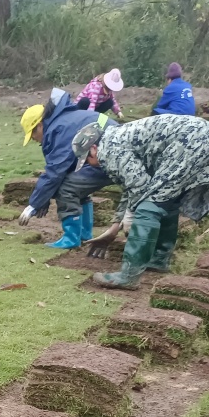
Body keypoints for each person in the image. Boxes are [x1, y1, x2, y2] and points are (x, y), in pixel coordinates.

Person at [71, 113, 209, 288]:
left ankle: (129, 276)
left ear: (93, 149)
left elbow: (140, 186)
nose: (91, 164)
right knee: (167, 200)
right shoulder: (117, 138)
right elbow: (131, 185)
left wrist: (131, 215)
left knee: (148, 208)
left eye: (87, 160)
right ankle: (158, 260)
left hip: (188, 141)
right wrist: (115, 227)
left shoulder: (108, 150)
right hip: (199, 135)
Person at [17, 89, 113, 249]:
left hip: (108, 156)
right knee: (77, 185)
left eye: (32, 134)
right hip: (107, 152)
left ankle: (71, 238)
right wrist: (44, 198)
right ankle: (84, 235)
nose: (33, 139)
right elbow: (66, 167)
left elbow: (55, 172)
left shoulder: (59, 129)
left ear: (40, 125)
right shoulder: (64, 120)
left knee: (66, 188)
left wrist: (33, 205)